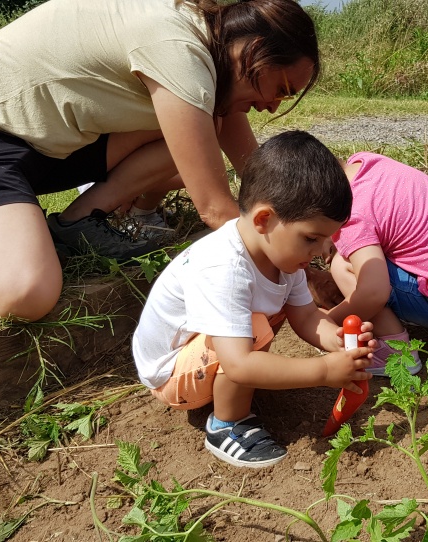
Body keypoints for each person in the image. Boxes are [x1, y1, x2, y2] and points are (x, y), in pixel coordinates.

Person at [0, 0, 320, 321]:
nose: (270, 106)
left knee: (202, 129)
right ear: (255, 50)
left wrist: (311, 224)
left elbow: (256, 170)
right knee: (23, 294)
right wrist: (294, 273)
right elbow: (215, 208)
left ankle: (79, 220)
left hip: (47, 144)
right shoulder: (178, 46)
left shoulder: (207, 49)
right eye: (280, 88)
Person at [132, 130, 374, 468]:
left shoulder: (283, 257)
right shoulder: (225, 266)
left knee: (256, 325)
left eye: (326, 240)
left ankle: (233, 393)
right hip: (172, 372)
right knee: (253, 330)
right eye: (312, 238)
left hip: (211, 351)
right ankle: (227, 425)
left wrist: (338, 343)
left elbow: (306, 316)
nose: (321, 252)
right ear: (264, 219)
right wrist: (322, 369)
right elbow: (239, 364)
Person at [323, 152, 428, 375]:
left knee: (342, 264)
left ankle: (396, 351)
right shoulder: (365, 163)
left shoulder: (351, 214)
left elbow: (373, 293)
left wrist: (326, 323)